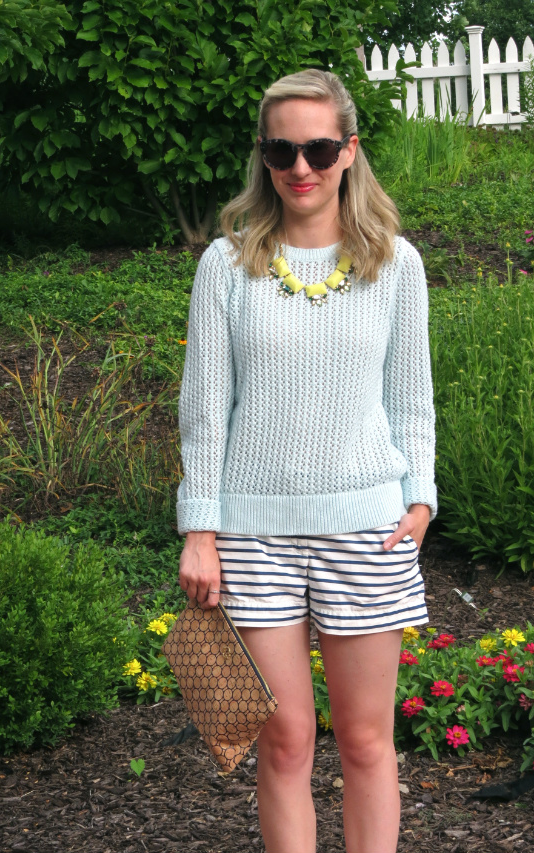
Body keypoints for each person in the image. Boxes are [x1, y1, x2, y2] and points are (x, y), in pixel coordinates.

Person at [176, 69, 436, 853]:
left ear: (349, 150)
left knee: (365, 742)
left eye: (319, 147)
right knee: (284, 744)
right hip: (254, 537)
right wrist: (201, 528)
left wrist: (418, 498)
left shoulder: (396, 264)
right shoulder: (226, 267)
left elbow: (412, 401)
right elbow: (203, 411)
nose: (300, 167)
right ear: (263, 156)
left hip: (368, 530)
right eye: (282, 149)